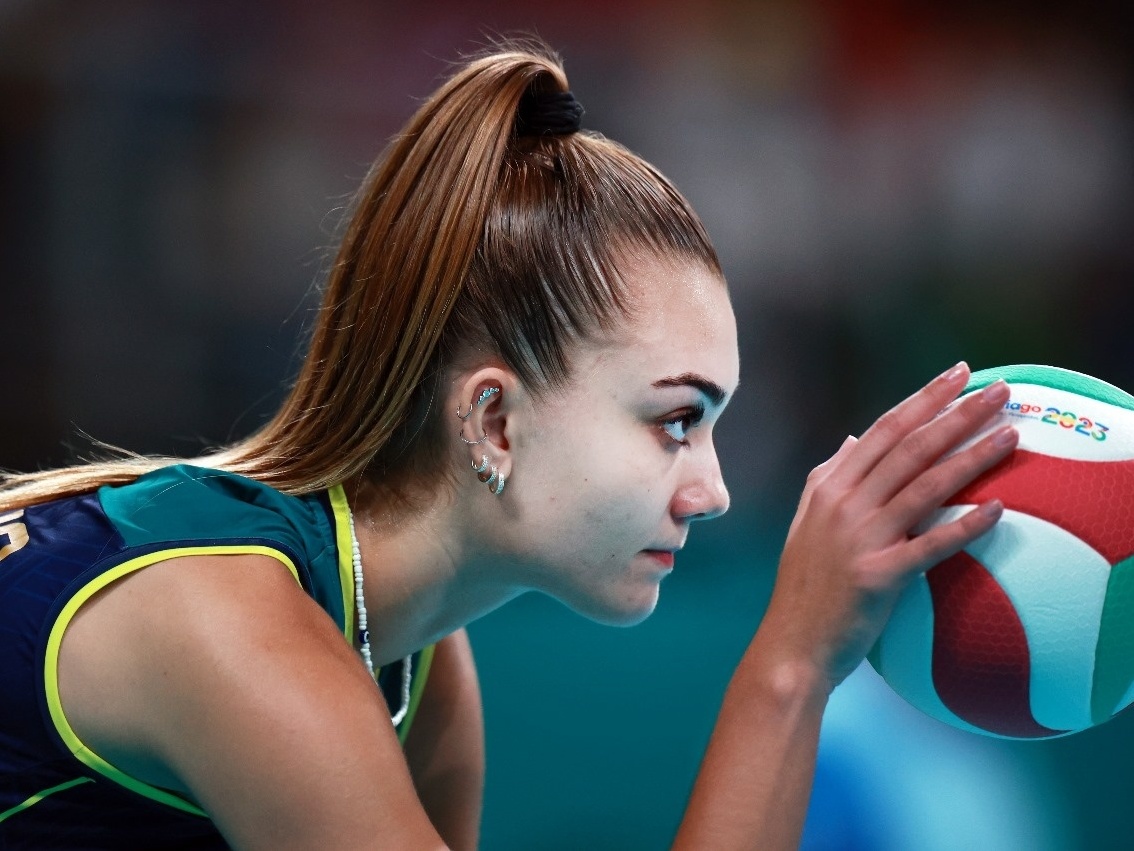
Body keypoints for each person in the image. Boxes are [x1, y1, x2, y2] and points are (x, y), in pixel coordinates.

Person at [0, 41, 1017, 849]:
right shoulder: (238, 630)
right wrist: (792, 659)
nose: (710, 488)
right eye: (675, 420)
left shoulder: (424, 658)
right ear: (493, 420)